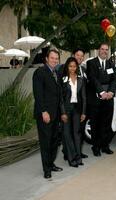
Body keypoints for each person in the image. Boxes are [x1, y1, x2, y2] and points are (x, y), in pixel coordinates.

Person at [32, 49, 63, 179]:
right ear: (46, 58)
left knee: (54, 141)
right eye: (52, 58)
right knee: (46, 142)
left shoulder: (57, 73)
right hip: (45, 114)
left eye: (56, 58)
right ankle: (47, 170)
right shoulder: (40, 72)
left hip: (56, 114)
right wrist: (44, 111)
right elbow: (38, 94)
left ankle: (51, 164)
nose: (55, 60)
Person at [86, 42, 116, 157]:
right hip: (96, 99)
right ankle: (96, 147)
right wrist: (102, 92)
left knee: (106, 123)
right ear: (99, 50)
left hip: (108, 98)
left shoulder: (110, 64)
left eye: (106, 49)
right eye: (102, 49)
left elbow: (114, 79)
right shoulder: (91, 63)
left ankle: (105, 146)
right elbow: (93, 78)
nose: (104, 51)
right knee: (96, 124)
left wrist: (111, 92)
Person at [60, 57, 86, 167]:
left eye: (74, 66)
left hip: (77, 109)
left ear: (77, 67)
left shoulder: (80, 79)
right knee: (67, 134)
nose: (72, 68)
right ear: (67, 67)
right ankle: (71, 159)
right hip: (66, 109)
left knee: (77, 134)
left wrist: (84, 112)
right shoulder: (63, 80)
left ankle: (78, 157)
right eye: (70, 66)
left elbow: (84, 98)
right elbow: (61, 98)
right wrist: (63, 112)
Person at [72, 48, 88, 159]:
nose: (80, 57)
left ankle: (79, 151)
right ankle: (69, 152)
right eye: (78, 55)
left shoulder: (83, 69)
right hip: (73, 105)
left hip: (82, 105)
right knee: (73, 130)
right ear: (74, 55)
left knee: (81, 130)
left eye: (82, 56)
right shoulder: (69, 69)